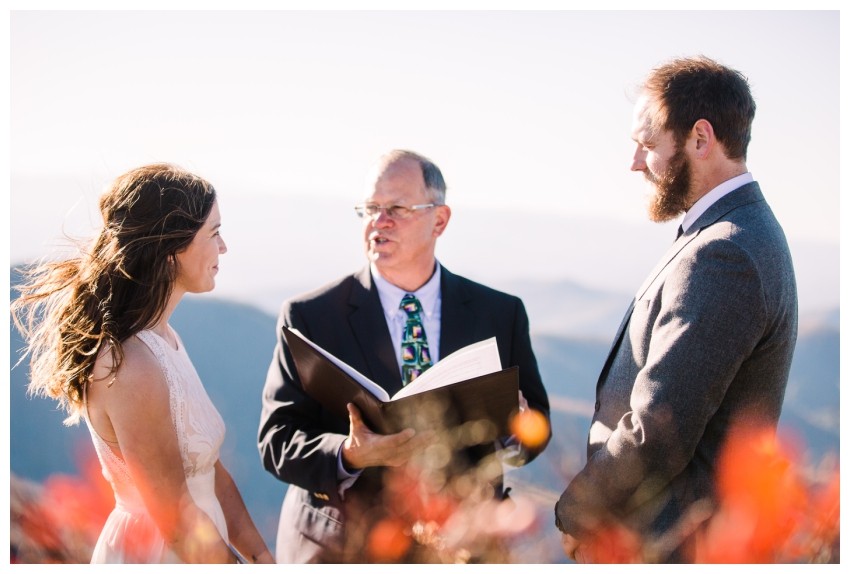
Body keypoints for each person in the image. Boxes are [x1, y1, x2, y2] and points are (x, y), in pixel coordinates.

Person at [554, 56, 798, 563]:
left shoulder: (725, 251)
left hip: (673, 546)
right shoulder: (731, 231)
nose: (635, 162)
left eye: (647, 144)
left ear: (701, 139)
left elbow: (658, 428)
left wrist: (577, 511)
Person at [258, 149, 551, 563]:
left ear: (440, 220)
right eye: (371, 209)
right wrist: (350, 453)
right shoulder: (310, 316)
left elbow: (534, 428)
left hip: (465, 547)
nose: (379, 222)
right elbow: (277, 441)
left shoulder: (499, 313)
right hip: (347, 549)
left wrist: (516, 427)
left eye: (396, 208)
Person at [11, 164, 274, 564]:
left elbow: (210, 470)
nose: (224, 248)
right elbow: (174, 517)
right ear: (172, 251)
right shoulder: (130, 365)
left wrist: (257, 552)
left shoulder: (166, 340)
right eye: (214, 233)